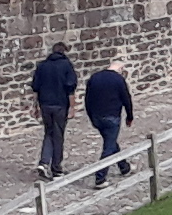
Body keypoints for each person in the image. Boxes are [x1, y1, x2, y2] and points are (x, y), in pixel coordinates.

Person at [83, 53, 136, 190]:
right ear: (120, 69)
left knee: (111, 142)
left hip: (97, 117)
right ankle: (100, 178)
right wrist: (129, 117)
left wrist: (91, 116)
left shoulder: (94, 78)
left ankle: (124, 167)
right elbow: (126, 99)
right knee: (109, 146)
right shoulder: (118, 80)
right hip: (111, 117)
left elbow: (87, 99)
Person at [30, 44, 79, 181]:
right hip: (60, 105)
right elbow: (70, 87)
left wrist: (35, 106)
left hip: (45, 104)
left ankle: (44, 161)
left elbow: (36, 88)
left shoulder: (42, 66)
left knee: (49, 132)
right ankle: (56, 168)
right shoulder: (66, 66)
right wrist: (72, 107)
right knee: (58, 135)